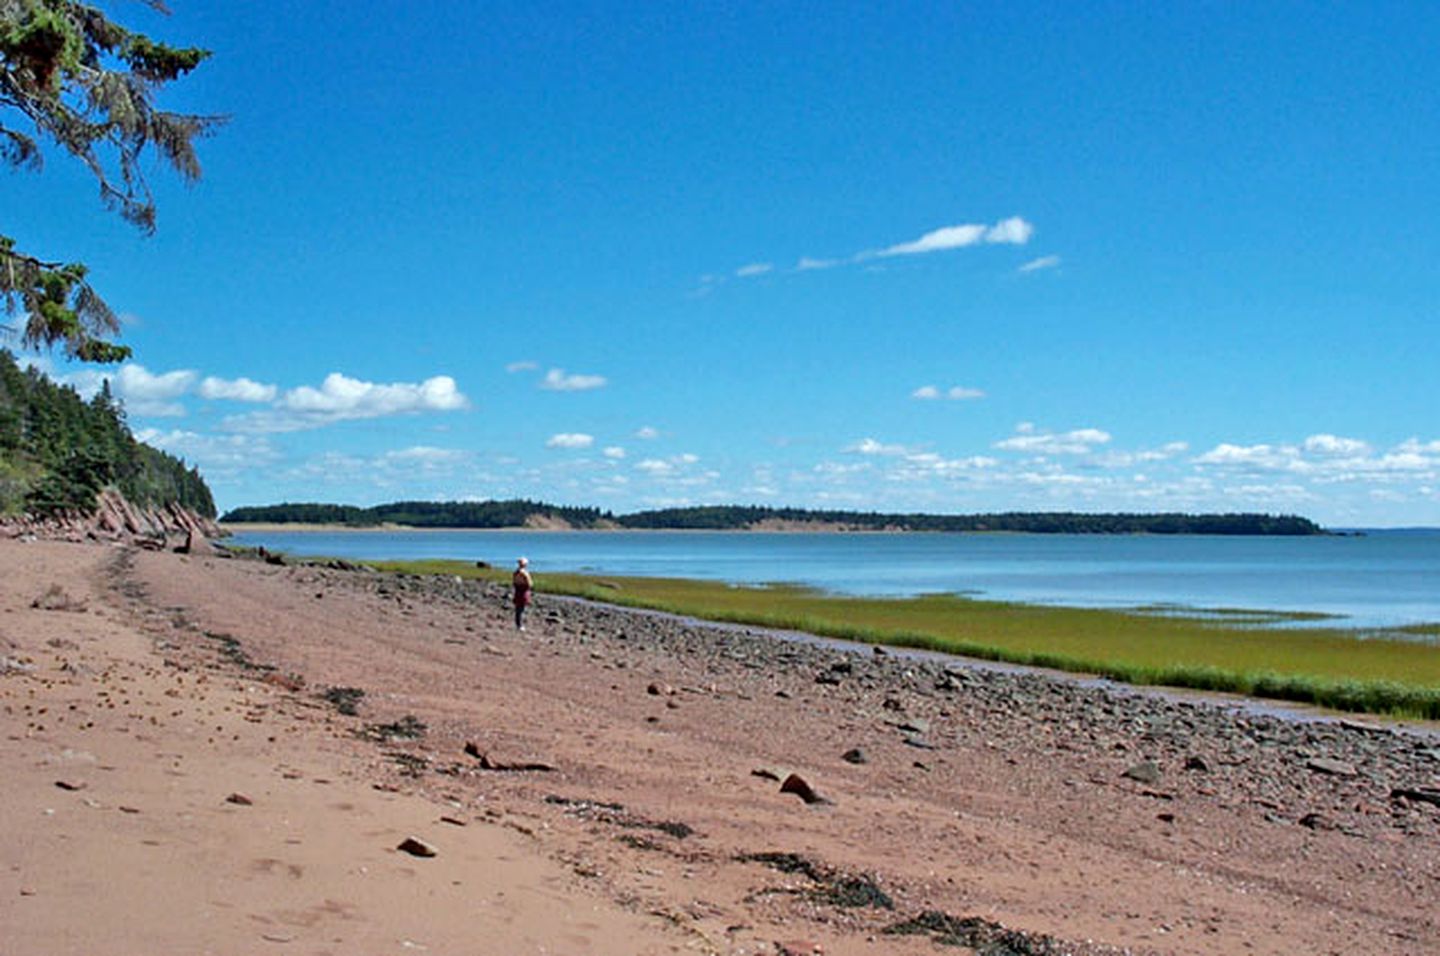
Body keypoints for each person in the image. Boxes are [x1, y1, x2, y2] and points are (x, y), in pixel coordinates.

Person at [511, 557, 533, 630]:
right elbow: (529, 583)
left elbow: (514, 583)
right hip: (523, 591)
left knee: (518, 609)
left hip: (518, 590)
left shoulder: (516, 572)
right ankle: (520, 625)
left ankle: (518, 624)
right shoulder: (524, 573)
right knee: (521, 609)